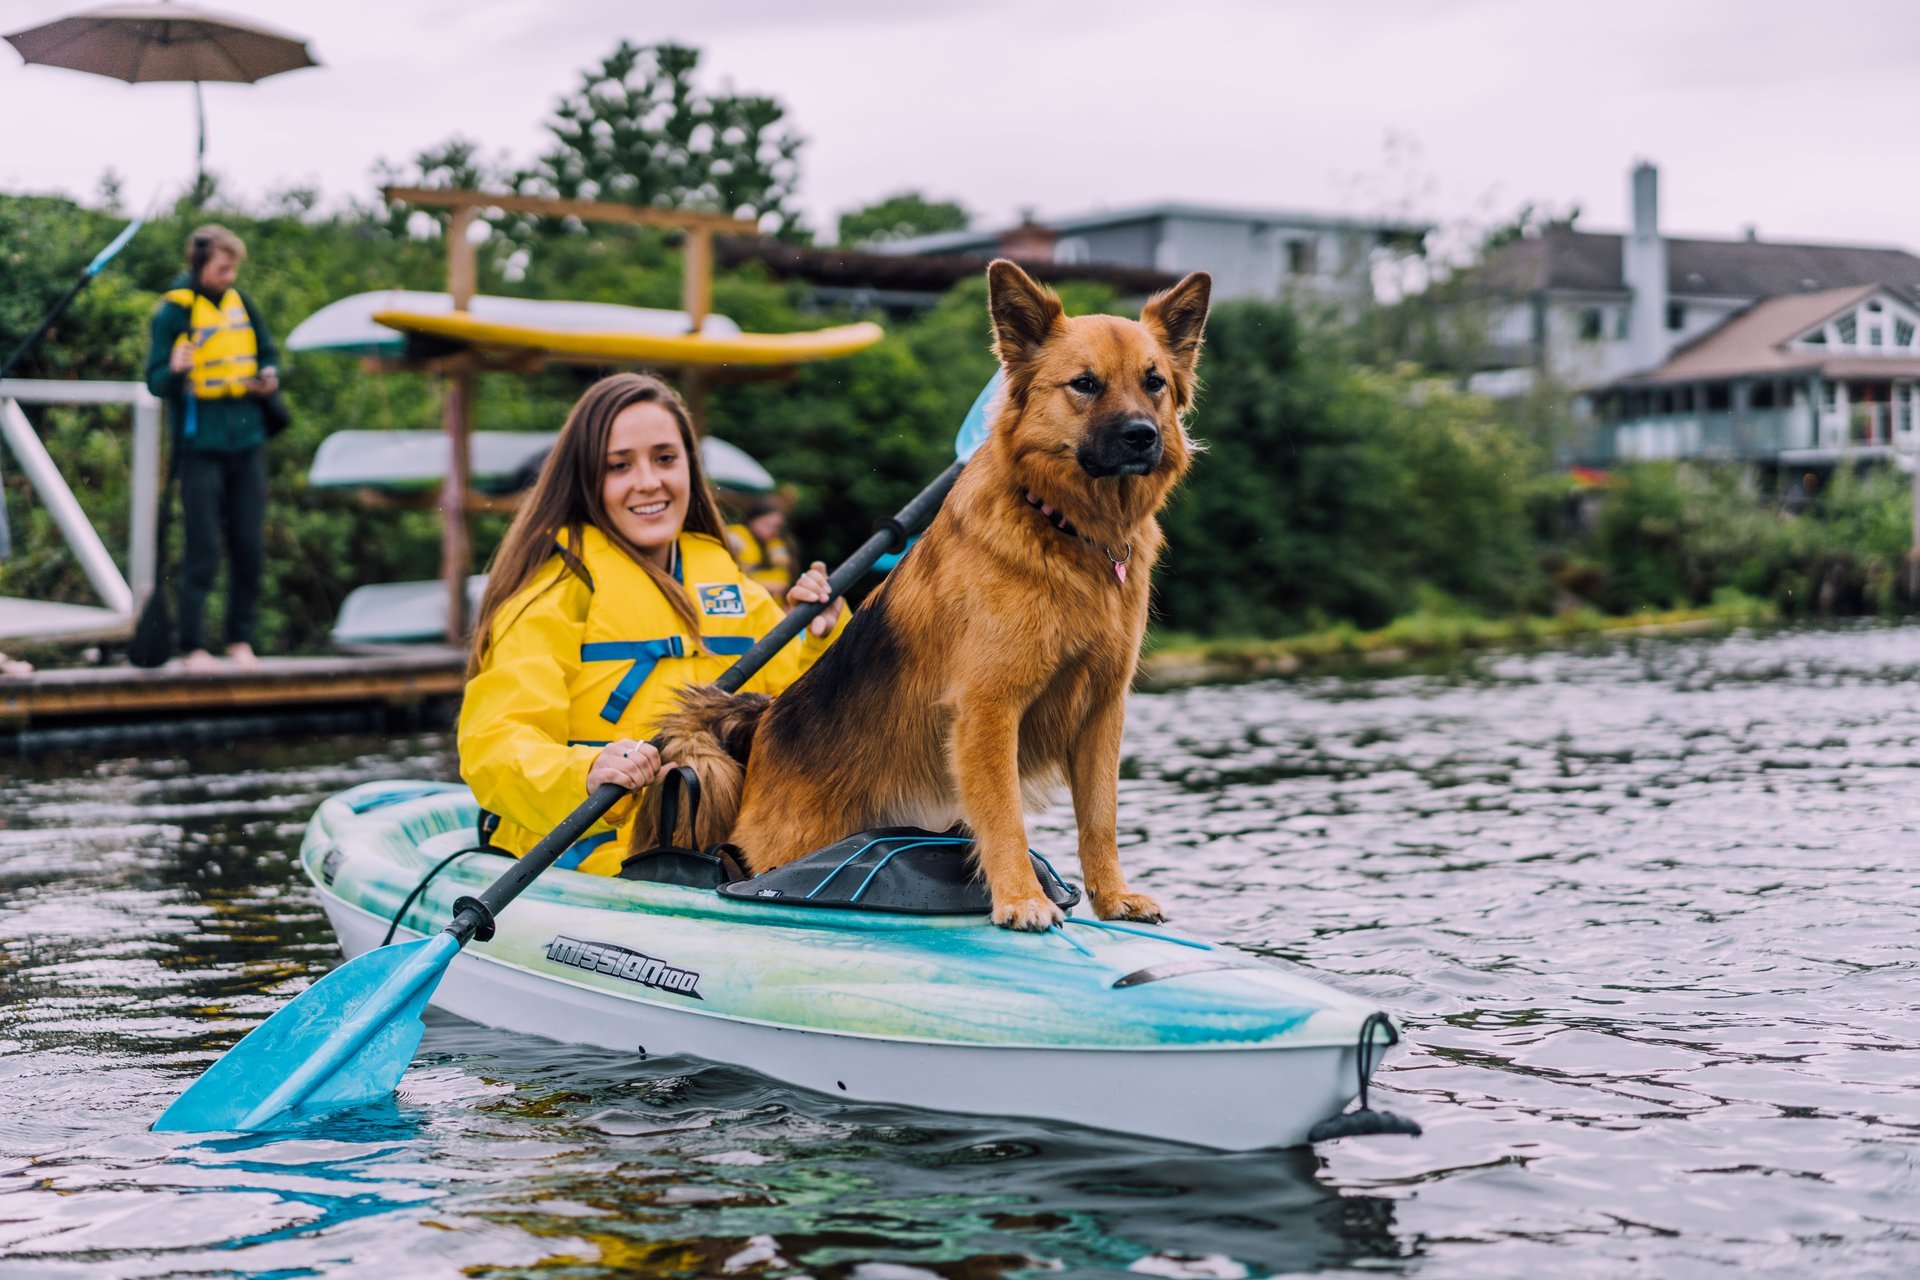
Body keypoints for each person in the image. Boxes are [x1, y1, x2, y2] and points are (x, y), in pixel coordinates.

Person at [458, 373, 846, 877]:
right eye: (619, 466)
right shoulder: (552, 594)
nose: (648, 481)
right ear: (586, 481)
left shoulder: (734, 588)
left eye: (665, 459)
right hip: (594, 856)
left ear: (689, 466)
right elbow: (496, 741)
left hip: (725, 848)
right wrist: (587, 772)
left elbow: (802, 721)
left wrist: (820, 638)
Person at [144, 224, 279, 672]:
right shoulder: (173, 312)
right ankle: (193, 645)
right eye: (222, 268)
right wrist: (176, 367)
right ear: (200, 265)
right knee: (202, 544)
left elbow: (267, 352)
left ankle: (240, 639)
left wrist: (269, 377)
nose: (229, 275)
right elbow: (156, 381)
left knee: (248, 543)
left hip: (247, 439)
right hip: (199, 442)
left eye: (233, 267)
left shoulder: (243, 304)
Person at [725, 493, 798, 603]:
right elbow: (727, 577)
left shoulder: (776, 545)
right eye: (766, 524)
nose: (772, 530)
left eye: (777, 526)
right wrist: (766, 585)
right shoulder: (734, 538)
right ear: (752, 520)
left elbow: (783, 580)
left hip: (770, 608)